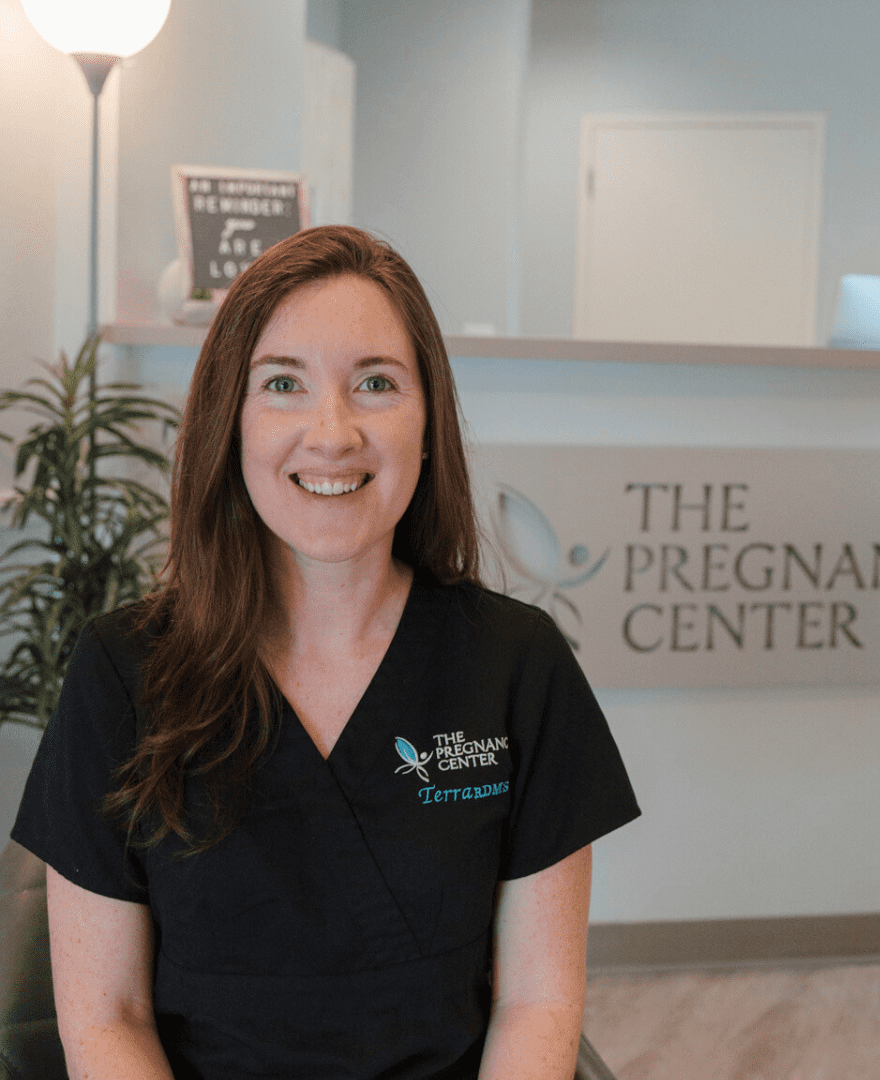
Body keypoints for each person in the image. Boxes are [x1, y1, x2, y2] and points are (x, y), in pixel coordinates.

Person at [10, 226, 640, 1080]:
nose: (332, 433)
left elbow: (537, 1002)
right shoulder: (121, 672)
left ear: (427, 423)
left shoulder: (516, 666)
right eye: (282, 384)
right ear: (230, 423)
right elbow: (105, 1016)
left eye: (375, 383)